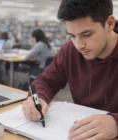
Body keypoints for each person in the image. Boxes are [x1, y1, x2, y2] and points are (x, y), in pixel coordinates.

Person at [22, 0, 118, 139]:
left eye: (87, 34)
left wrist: (116, 122)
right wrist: (38, 98)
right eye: (72, 36)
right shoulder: (69, 50)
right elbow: (46, 81)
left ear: (109, 23)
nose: (79, 45)